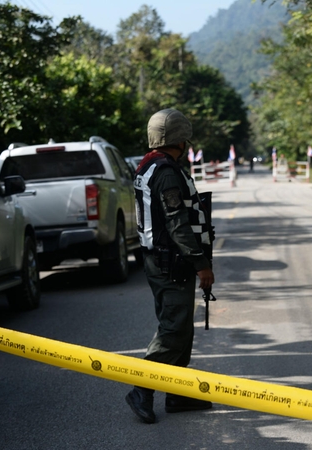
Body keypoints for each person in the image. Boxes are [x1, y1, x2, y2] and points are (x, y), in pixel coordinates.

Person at [126, 108, 215, 424]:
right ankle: (142, 389)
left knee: (181, 328)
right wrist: (201, 264)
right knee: (174, 328)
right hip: (171, 262)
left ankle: (176, 393)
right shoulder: (166, 173)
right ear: (179, 139)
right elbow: (177, 224)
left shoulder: (151, 166)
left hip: (163, 261)